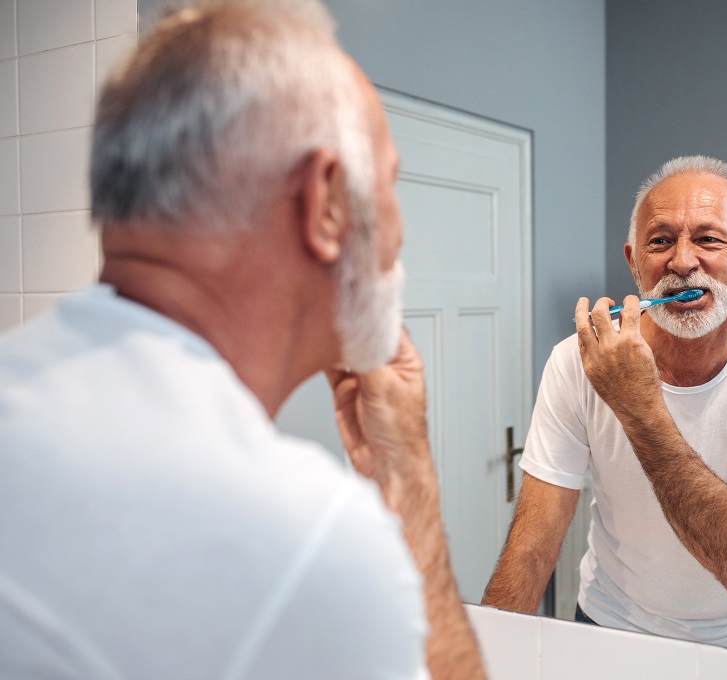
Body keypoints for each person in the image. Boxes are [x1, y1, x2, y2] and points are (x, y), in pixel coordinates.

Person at [0, 1, 485, 678]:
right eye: (392, 185)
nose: (400, 234)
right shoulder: (305, 542)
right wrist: (412, 485)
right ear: (326, 203)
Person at [482, 156, 727, 658]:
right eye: (661, 240)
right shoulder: (576, 361)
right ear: (633, 261)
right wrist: (484, 655)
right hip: (607, 629)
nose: (682, 262)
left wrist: (639, 407)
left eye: (709, 239)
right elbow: (534, 543)